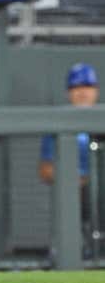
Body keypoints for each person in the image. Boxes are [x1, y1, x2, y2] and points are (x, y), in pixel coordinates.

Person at [39, 63, 100, 257]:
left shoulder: (101, 120)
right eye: (77, 87)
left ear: (96, 91)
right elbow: (45, 170)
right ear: (69, 92)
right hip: (76, 199)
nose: (82, 92)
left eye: (87, 87)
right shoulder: (57, 124)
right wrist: (75, 180)